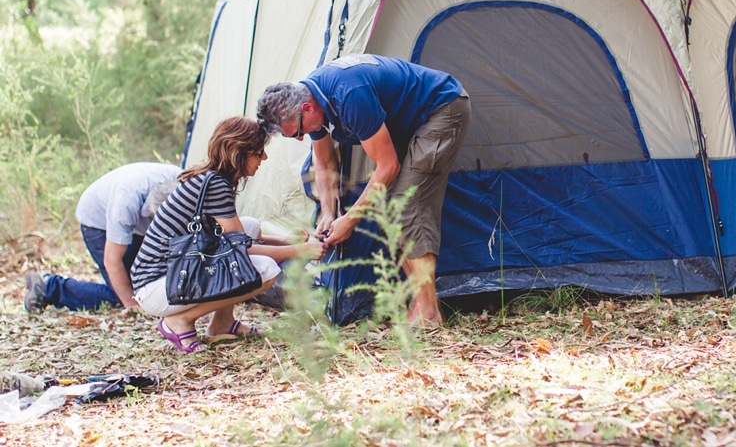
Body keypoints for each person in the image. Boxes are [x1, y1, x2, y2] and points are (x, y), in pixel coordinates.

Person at [256, 54, 471, 326]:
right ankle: (421, 306)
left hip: (443, 109)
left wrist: (350, 219)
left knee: (406, 206)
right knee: (392, 208)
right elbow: (323, 163)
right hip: (413, 125)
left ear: (307, 108)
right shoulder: (311, 104)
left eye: (297, 131)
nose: (300, 137)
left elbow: (388, 165)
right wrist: (328, 213)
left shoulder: (349, 94)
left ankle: (428, 314)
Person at [129, 116, 326, 353]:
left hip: (162, 278)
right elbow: (241, 249)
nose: (264, 158)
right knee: (265, 270)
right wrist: (297, 251)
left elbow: (236, 238)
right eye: (258, 151)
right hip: (158, 286)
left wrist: (284, 241)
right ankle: (180, 321)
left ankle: (222, 323)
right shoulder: (215, 185)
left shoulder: (209, 177)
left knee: (249, 226)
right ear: (239, 152)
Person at [24, 162, 182, 313]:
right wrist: (132, 305)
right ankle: (49, 286)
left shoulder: (185, 183)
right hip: (98, 222)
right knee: (125, 293)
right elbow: (112, 260)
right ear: (152, 211)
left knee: (149, 284)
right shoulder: (125, 204)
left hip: (133, 217)